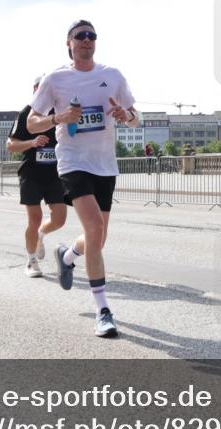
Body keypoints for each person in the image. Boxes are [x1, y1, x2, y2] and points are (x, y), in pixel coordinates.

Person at [27, 19, 139, 338]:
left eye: (91, 36)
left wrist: (126, 116)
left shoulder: (112, 76)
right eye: (80, 36)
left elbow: (135, 118)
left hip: (104, 163)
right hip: (73, 162)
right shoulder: (56, 79)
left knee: (97, 239)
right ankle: (102, 310)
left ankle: (67, 255)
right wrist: (58, 117)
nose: (86, 40)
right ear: (69, 43)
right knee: (95, 228)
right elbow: (33, 123)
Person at [7, 76, 68, 278]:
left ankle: (41, 236)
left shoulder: (60, 111)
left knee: (59, 219)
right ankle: (31, 260)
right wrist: (32, 143)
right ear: (34, 90)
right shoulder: (27, 113)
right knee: (35, 218)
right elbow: (11, 145)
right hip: (32, 172)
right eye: (39, 88)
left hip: (55, 173)